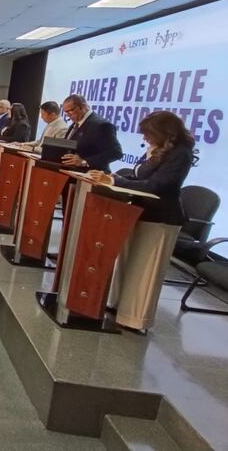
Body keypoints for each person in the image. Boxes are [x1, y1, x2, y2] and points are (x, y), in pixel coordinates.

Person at [88, 111, 195, 332]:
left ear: (163, 132)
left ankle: (135, 319)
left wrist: (115, 181)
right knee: (128, 262)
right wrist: (114, 179)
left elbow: (157, 186)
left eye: (148, 133)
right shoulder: (155, 149)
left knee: (147, 268)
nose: (144, 138)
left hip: (161, 217)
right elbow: (139, 177)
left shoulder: (180, 153)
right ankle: (117, 305)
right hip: (139, 211)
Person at [61, 94, 122, 172]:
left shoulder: (101, 125)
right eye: (66, 112)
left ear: (83, 106)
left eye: (71, 110)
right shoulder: (76, 123)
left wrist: (84, 162)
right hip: (71, 172)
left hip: (91, 174)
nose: (68, 115)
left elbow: (116, 152)